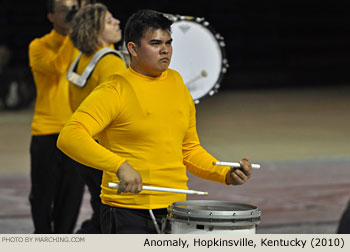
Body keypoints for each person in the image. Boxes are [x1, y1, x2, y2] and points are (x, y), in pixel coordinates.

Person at [57, 9, 253, 234]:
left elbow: (188, 150)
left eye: (169, 43)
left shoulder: (177, 83)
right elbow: (70, 136)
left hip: (176, 211)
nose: (165, 50)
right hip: (128, 212)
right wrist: (119, 166)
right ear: (133, 48)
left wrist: (225, 173)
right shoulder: (115, 89)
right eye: (155, 43)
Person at [67, 3, 127, 233]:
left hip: (85, 149)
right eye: (109, 21)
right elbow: (121, 110)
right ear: (95, 30)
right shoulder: (111, 61)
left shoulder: (81, 58)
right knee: (112, 214)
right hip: (105, 151)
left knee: (98, 205)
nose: (117, 23)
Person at [28, 0, 84, 233]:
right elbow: (57, 66)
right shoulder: (39, 46)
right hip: (47, 130)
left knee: (72, 196)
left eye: (74, 8)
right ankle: (43, 239)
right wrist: (74, 31)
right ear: (51, 16)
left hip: (77, 131)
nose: (70, 13)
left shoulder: (84, 46)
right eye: (64, 9)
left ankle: (64, 240)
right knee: (42, 195)